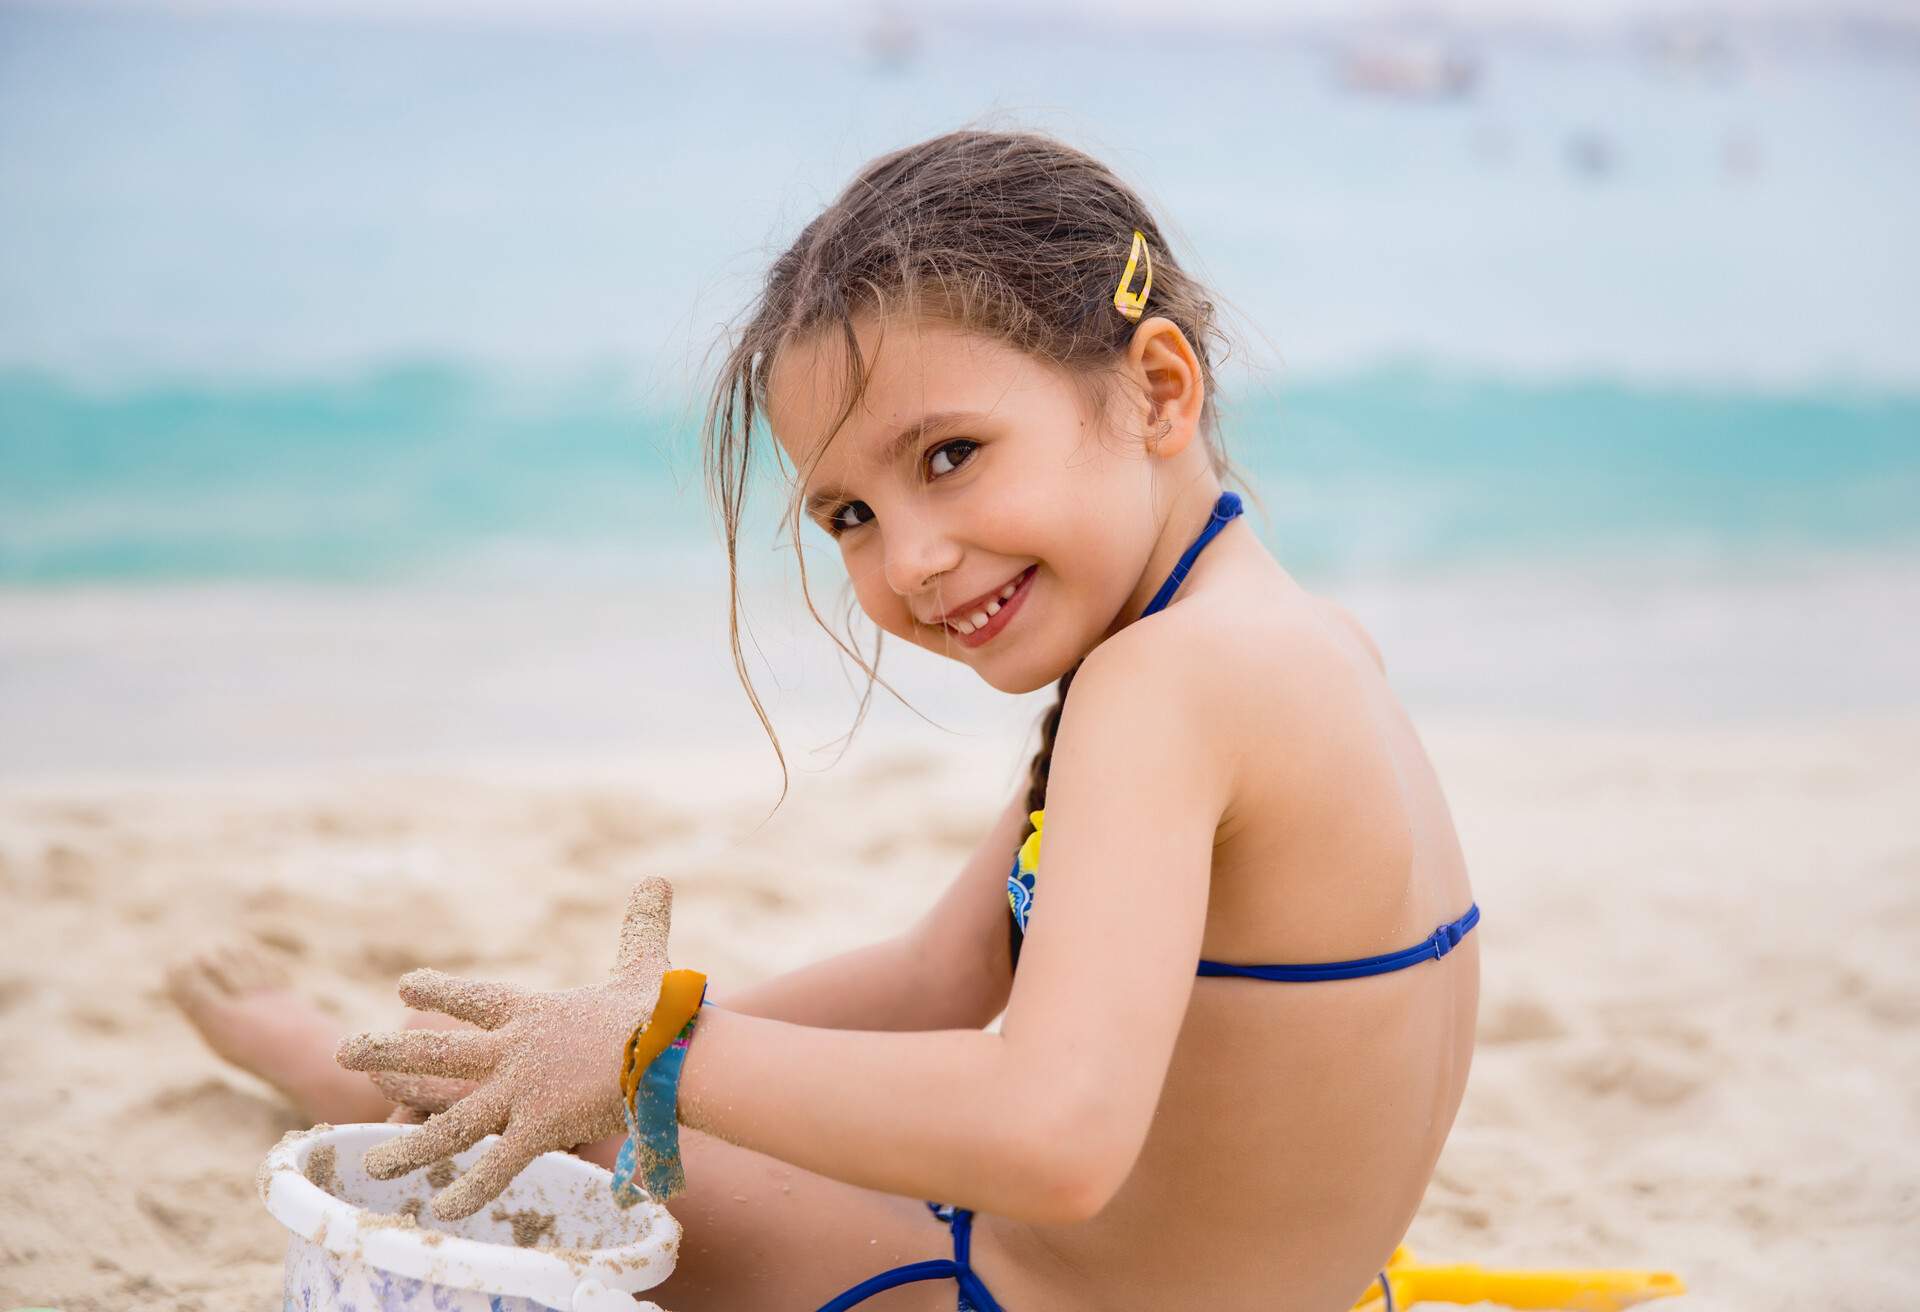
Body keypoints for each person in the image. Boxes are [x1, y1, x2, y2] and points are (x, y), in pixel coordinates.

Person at [180, 128, 1481, 1311]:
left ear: (1156, 389)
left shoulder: (1164, 689)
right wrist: (603, 1048)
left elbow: (1056, 1135)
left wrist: (652, 1055)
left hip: (1015, 1296)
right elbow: (943, 979)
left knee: (586, 1151)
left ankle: (348, 1078)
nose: (908, 559)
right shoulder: (1294, 646)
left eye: (949, 454)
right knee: (613, 1098)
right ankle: (472, 1072)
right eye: (848, 515)